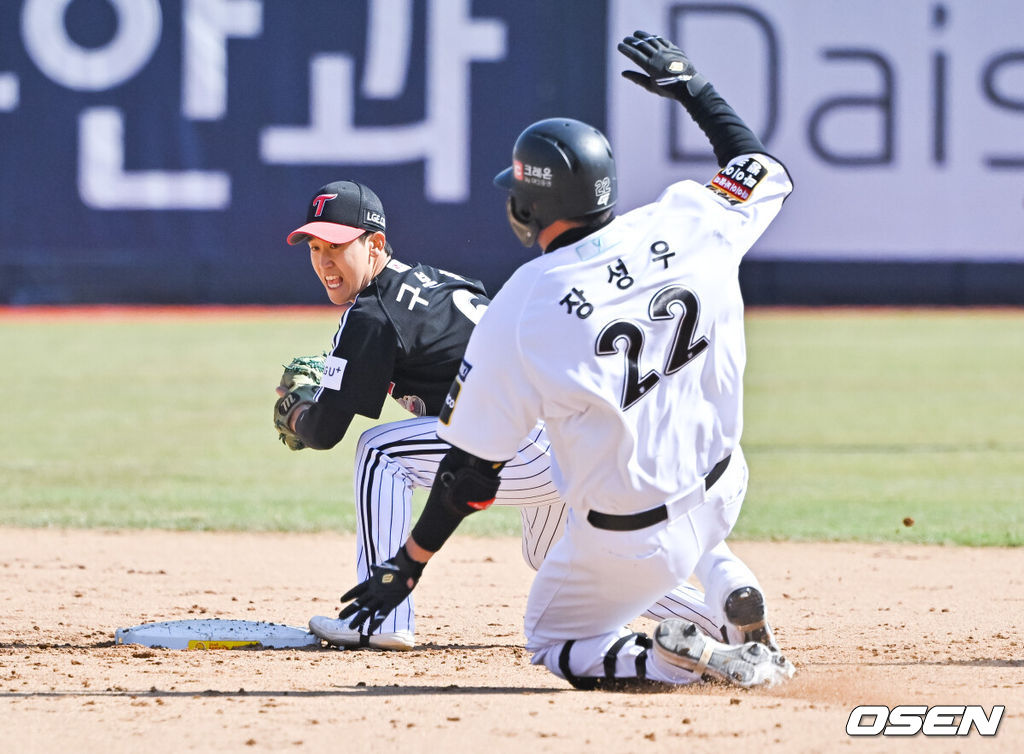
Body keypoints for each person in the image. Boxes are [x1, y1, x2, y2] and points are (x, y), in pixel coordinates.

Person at [332, 31, 797, 689]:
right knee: (676, 521)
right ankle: (730, 588)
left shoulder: (523, 304)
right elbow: (755, 162)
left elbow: (470, 475)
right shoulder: (691, 219)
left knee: (553, 638)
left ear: (526, 208)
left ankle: (677, 657)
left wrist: (407, 564)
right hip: (724, 488)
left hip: (629, 537)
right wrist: (692, 89)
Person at [274, 177, 747, 652]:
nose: (323, 261)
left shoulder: (372, 314)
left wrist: (294, 411)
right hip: (566, 434)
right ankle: (719, 620)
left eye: (336, 245)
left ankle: (381, 618)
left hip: (520, 440)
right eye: (314, 247)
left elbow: (326, 431)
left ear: (375, 243)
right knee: (547, 553)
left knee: (380, 454)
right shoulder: (436, 280)